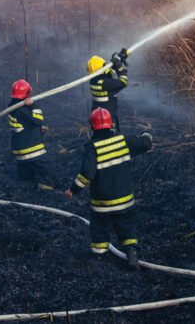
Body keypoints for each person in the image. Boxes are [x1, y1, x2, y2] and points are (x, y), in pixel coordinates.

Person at [65, 107, 153, 270]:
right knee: (126, 227)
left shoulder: (92, 148)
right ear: (111, 124)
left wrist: (73, 189)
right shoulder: (123, 140)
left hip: (102, 204)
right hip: (125, 201)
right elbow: (146, 143)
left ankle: (99, 258)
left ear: (92, 127)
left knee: (99, 228)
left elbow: (86, 175)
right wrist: (147, 134)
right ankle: (132, 253)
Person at [7, 79, 54, 190]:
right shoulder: (22, 110)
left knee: (25, 166)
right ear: (27, 94)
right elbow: (38, 120)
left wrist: (38, 129)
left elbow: (25, 124)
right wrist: (34, 106)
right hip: (30, 147)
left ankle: (25, 178)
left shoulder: (13, 106)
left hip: (19, 146)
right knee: (43, 165)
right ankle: (46, 184)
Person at [86, 47, 129, 132]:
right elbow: (123, 82)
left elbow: (109, 73)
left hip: (98, 118)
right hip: (106, 119)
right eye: (104, 65)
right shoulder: (105, 83)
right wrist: (120, 68)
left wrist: (120, 59)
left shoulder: (94, 80)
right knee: (112, 139)